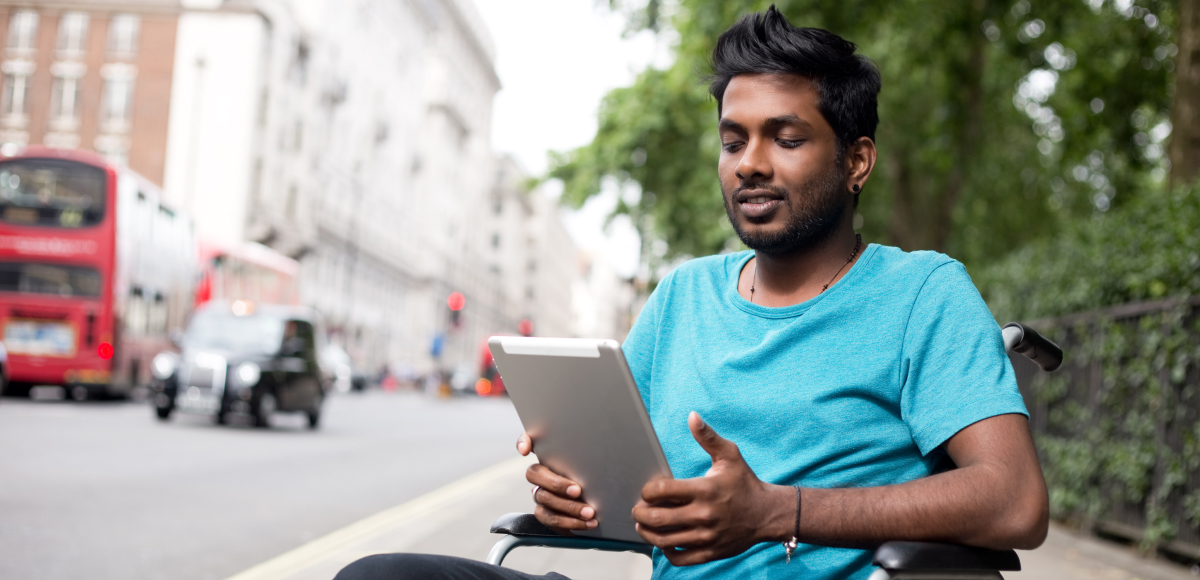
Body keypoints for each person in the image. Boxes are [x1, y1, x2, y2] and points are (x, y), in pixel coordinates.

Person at [335, 6, 1048, 580]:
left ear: (857, 160)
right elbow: (632, 497)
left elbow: (1015, 502)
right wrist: (572, 499)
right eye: (733, 140)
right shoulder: (681, 296)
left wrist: (777, 512)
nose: (750, 165)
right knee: (380, 574)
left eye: (786, 138)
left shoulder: (922, 293)